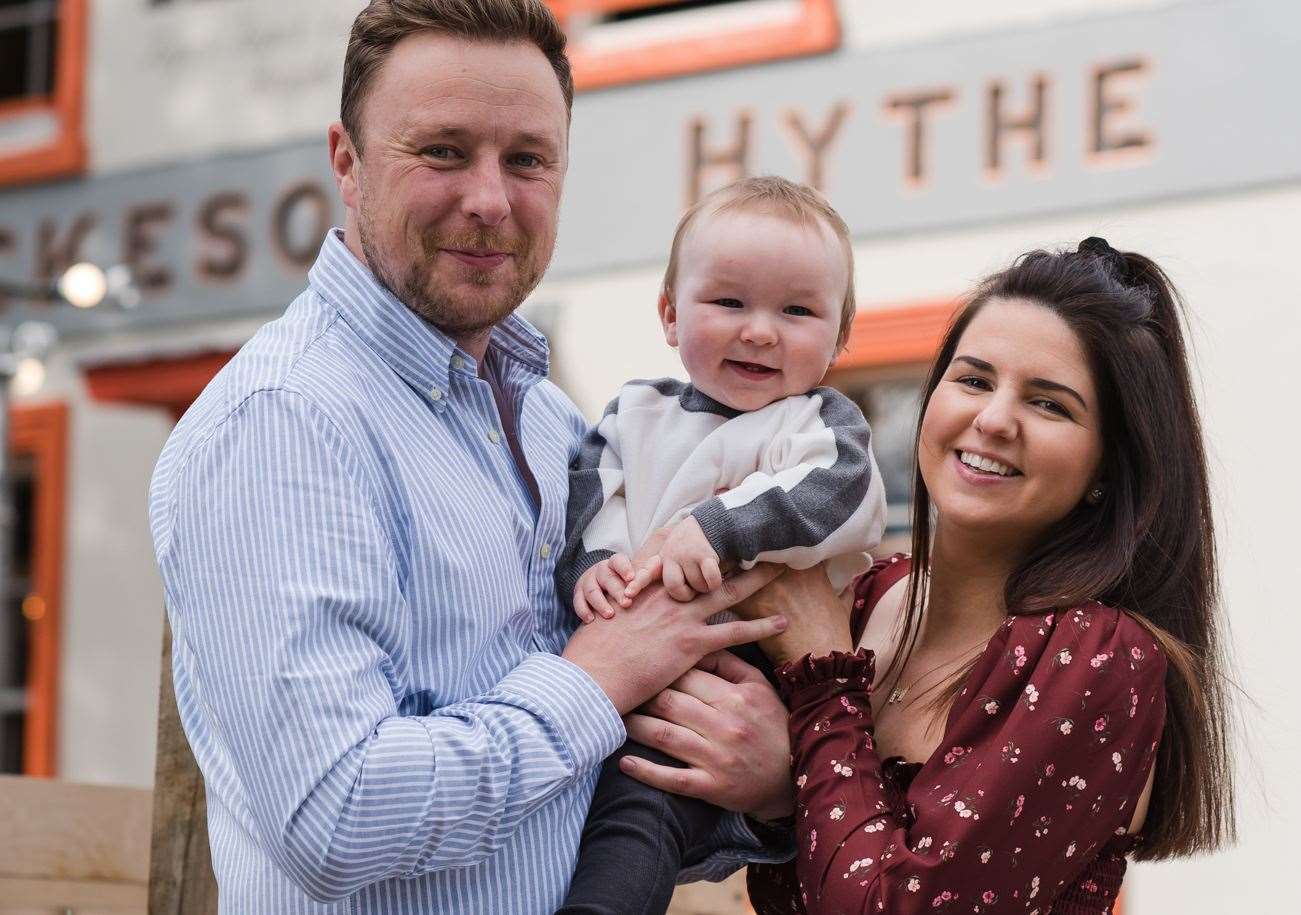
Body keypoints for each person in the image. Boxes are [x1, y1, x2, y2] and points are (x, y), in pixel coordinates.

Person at [147, 2, 793, 912]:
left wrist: (760, 783)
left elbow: (570, 802)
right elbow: (336, 818)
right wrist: (595, 680)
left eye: (526, 159)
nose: (489, 199)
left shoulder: (551, 420)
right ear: (347, 162)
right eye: (443, 151)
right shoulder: (284, 422)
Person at [621, 239, 1236, 913]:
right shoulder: (861, 592)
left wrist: (820, 690)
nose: (993, 419)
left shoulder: (1097, 654)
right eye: (972, 380)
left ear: (1107, 468)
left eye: (1049, 404)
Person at [556, 177, 887, 914]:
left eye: (796, 310)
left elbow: (836, 494)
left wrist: (716, 526)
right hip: (611, 679)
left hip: (731, 693)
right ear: (671, 314)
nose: (759, 330)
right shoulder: (635, 412)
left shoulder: (816, 424)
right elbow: (590, 490)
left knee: (636, 822)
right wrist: (596, 564)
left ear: (839, 337)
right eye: (729, 302)